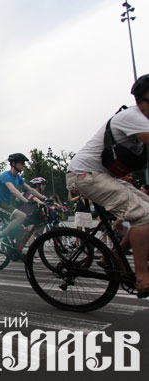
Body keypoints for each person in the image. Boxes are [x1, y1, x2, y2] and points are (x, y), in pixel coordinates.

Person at [66, 74, 149, 297]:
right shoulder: (134, 116)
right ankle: (142, 278)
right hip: (85, 175)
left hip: (100, 175)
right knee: (142, 216)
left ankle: (112, 257)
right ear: (143, 100)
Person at [0, 153, 46, 239]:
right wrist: (27, 201)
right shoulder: (5, 176)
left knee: (22, 225)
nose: (24, 165)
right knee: (22, 216)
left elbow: (30, 189)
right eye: (22, 163)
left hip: (6, 204)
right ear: (13, 164)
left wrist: (43, 198)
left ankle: (14, 247)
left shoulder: (18, 177)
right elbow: (13, 190)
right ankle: (2, 235)